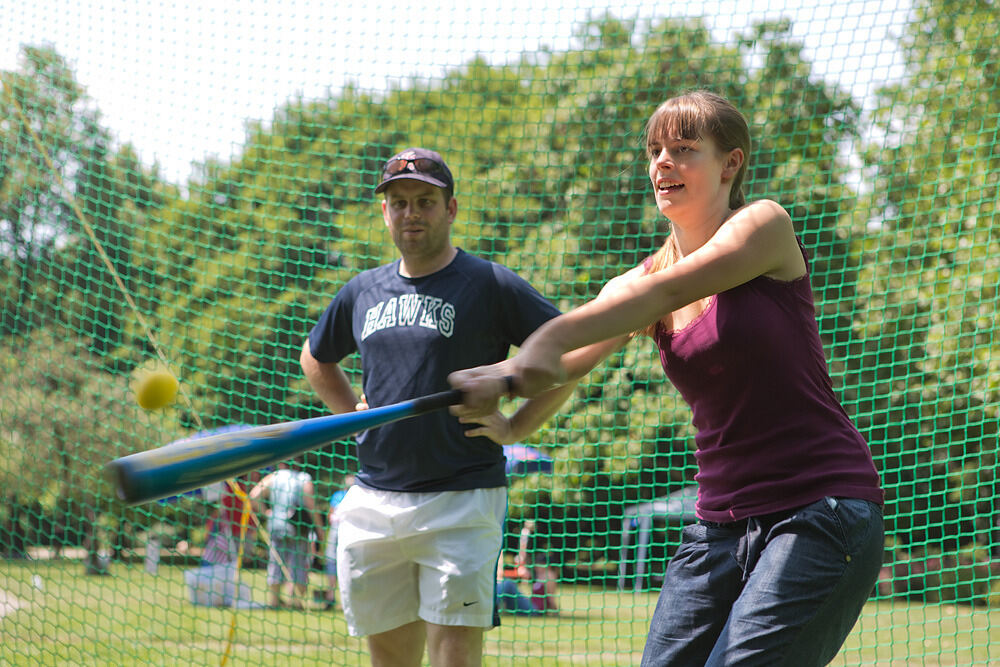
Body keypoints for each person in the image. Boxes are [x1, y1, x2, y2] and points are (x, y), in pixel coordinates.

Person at [449, 91, 885, 666]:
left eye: (683, 149)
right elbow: (569, 362)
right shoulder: (644, 279)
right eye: (655, 151)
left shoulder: (764, 226)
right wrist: (508, 412)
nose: (661, 163)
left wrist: (544, 342)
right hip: (719, 527)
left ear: (730, 163)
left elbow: (668, 292)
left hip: (820, 509)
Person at [299, 147, 575, 667]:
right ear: (385, 212)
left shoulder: (490, 284)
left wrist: (516, 427)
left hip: (461, 502)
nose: (411, 213)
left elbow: (570, 355)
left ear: (450, 209)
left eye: (425, 201)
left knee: (454, 660)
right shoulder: (362, 291)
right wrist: (352, 415)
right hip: (374, 501)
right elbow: (315, 357)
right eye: (399, 202)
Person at [249, 459, 325, 609]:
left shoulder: (273, 477)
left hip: (276, 525)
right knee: (299, 564)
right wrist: (320, 529)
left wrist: (266, 512)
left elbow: (253, 496)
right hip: (298, 527)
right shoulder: (303, 478)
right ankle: (296, 602)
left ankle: (274, 601)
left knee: (276, 563)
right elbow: (311, 506)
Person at [321, 473, 354, 611]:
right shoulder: (338, 495)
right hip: (336, 532)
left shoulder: (357, 496)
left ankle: (349, 600)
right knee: (331, 562)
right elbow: (331, 513)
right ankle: (330, 597)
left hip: (351, 531)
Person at [515, 517, 559, 614]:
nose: (536, 566)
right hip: (531, 606)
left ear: (546, 565)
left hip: (535, 610)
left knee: (509, 586)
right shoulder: (540, 575)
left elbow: (551, 598)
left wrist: (556, 612)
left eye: (539, 564)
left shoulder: (549, 577)